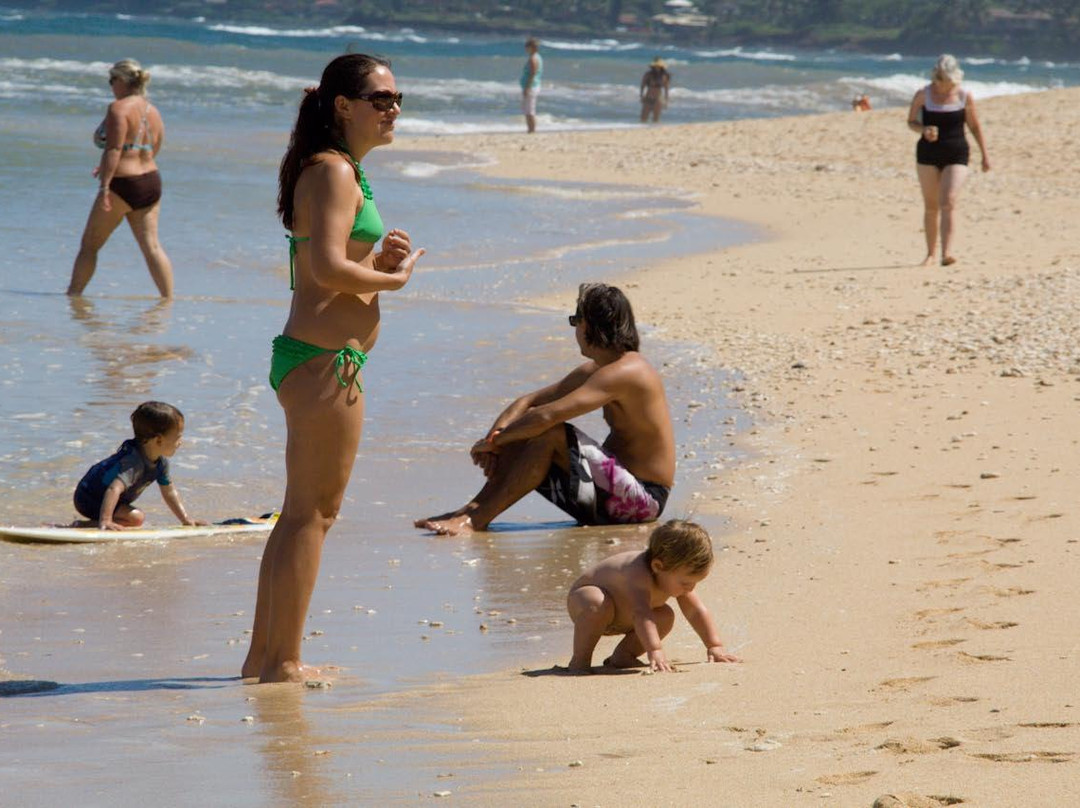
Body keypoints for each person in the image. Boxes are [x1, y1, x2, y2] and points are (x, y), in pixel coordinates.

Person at [241, 54, 424, 684]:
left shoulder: (341, 170)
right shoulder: (331, 170)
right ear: (343, 105)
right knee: (313, 514)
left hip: (316, 358)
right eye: (380, 98)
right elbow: (324, 271)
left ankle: (262, 657)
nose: (393, 108)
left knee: (299, 513)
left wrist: (376, 256)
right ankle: (283, 662)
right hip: (324, 363)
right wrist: (393, 279)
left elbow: (336, 262)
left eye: (399, 98)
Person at [415, 282, 675, 536]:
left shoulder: (627, 371)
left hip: (643, 500)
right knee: (521, 431)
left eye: (575, 320)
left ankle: (476, 519)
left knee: (548, 432)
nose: (574, 329)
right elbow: (528, 402)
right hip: (613, 495)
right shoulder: (599, 369)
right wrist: (495, 440)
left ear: (591, 325)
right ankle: (470, 512)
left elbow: (548, 416)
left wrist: (497, 441)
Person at [566, 519, 740, 673]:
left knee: (665, 616)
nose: (690, 588)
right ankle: (580, 660)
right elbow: (641, 614)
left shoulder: (670, 574)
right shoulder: (638, 573)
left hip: (624, 615)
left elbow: (695, 612)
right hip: (587, 607)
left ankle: (623, 656)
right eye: (686, 583)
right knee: (596, 602)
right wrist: (655, 650)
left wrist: (714, 646)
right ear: (658, 566)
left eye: (695, 583)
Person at [68, 59, 174, 298]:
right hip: (150, 181)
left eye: (111, 80)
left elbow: (114, 149)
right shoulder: (152, 110)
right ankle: (168, 301)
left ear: (123, 81)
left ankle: (72, 297)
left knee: (89, 246)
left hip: (122, 184)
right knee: (152, 247)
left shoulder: (118, 108)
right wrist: (110, 165)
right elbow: (154, 146)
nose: (110, 86)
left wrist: (105, 185)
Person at [907, 54, 990, 267]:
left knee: (948, 201)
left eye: (950, 81)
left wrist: (985, 155)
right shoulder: (923, 95)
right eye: (942, 80)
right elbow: (911, 121)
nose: (946, 85)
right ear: (936, 77)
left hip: (957, 153)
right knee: (931, 205)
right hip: (927, 154)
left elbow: (974, 126)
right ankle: (930, 254)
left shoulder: (964, 95)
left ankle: (947, 253)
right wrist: (923, 129)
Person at [73, 401, 203, 530]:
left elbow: (169, 491)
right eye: (178, 437)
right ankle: (88, 525)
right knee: (137, 518)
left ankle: (92, 523)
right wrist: (106, 520)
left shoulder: (161, 463)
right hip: (88, 497)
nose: (180, 442)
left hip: (108, 500)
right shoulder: (134, 462)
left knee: (134, 520)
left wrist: (185, 519)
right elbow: (114, 489)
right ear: (158, 440)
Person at [520, 37, 543, 133]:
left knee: (529, 110)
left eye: (527, 47)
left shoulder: (533, 58)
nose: (526, 49)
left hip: (532, 86)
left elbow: (533, 73)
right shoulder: (537, 57)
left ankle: (531, 129)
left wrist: (527, 87)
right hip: (534, 86)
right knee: (528, 109)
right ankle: (530, 129)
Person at [640, 57, 671, 123]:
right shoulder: (648, 75)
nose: (657, 68)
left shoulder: (665, 76)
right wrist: (641, 96)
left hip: (658, 99)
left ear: (662, 67)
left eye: (659, 66)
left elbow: (666, 89)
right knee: (643, 118)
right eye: (656, 66)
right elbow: (642, 86)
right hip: (648, 97)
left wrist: (666, 101)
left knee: (656, 119)